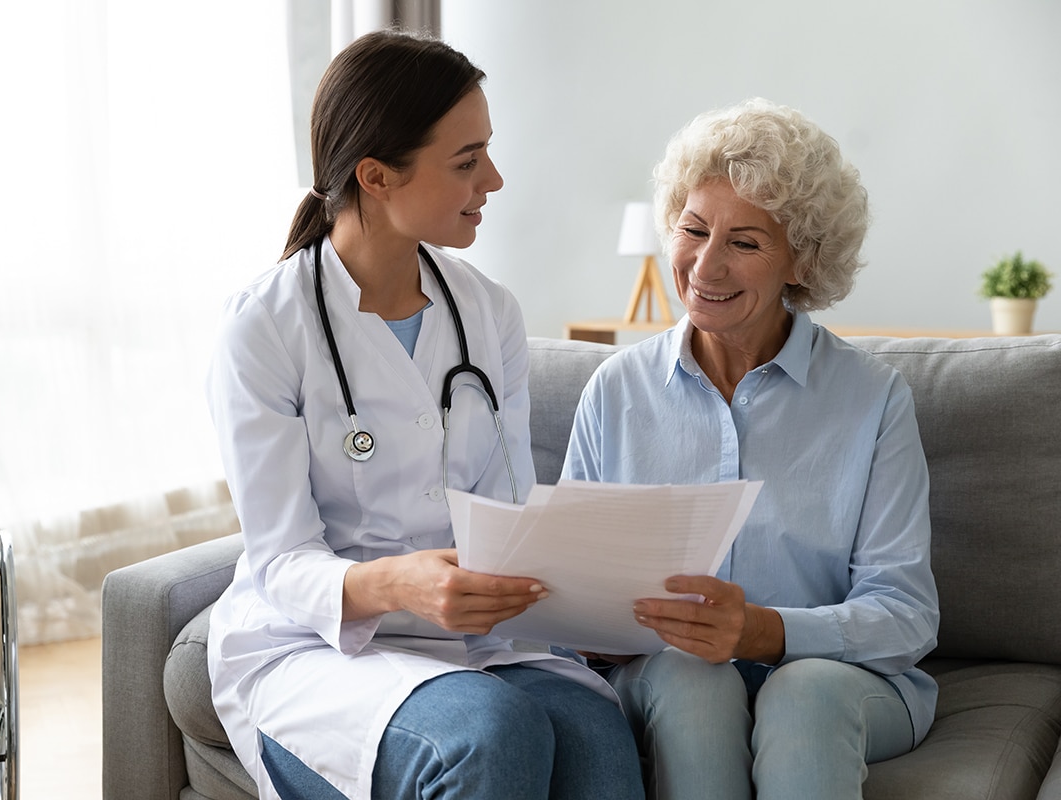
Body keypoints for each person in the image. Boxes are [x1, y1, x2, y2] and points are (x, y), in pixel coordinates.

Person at [204, 29, 643, 800]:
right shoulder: (266, 327)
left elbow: (510, 515)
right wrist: (396, 585)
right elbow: (280, 562)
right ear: (376, 176)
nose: (495, 179)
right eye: (466, 161)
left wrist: (593, 598)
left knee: (597, 738)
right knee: (489, 732)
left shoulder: (487, 312)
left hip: (478, 642)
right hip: (316, 652)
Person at [563, 98, 940, 800]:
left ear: (802, 259)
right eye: (694, 230)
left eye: (744, 242)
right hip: (667, 673)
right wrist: (589, 624)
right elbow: (571, 594)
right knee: (688, 675)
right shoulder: (615, 390)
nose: (706, 266)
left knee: (803, 694)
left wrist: (761, 632)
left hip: (839, 680)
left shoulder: (874, 399)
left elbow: (906, 614)